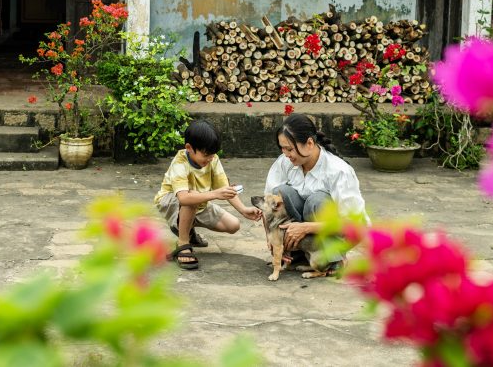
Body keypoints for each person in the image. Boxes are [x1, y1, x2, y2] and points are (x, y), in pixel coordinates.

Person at [264, 114, 370, 273]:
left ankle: (333, 258)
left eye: (290, 149)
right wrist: (272, 239)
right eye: (282, 148)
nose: (285, 154)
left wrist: (306, 228)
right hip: (304, 232)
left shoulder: (338, 171)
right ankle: (298, 254)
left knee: (316, 201)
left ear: (309, 143)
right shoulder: (285, 162)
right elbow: (267, 205)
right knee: (280, 193)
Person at [155, 119, 262, 270]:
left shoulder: (213, 159)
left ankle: (187, 228)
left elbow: (224, 187)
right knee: (191, 198)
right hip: (171, 202)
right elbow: (184, 198)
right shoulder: (180, 162)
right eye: (206, 154)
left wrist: (243, 210)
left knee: (233, 225)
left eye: (213, 154)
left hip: (199, 203)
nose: (210, 158)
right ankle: (183, 243)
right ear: (189, 148)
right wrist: (215, 194)